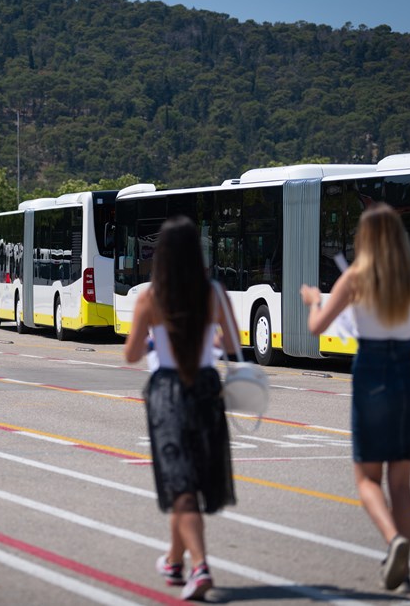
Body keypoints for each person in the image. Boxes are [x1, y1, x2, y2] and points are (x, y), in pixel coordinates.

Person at [299, 203, 410, 593]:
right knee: (402, 480)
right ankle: (404, 569)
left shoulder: (357, 276)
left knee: (366, 477)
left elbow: (317, 327)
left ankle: (394, 541)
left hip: (373, 371)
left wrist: (313, 300)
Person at [124, 215, 238, 601]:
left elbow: (132, 353)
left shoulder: (151, 297)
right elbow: (234, 344)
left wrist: (157, 342)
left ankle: (200, 565)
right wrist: (212, 340)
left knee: (181, 481)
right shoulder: (215, 293)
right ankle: (174, 560)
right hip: (206, 388)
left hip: (168, 391)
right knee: (189, 477)